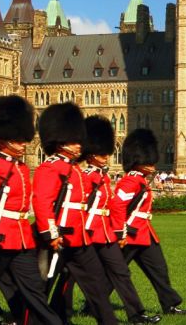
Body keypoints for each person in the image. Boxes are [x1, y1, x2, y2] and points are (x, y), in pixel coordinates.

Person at [0, 95, 61, 325]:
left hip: (20, 239)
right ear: (2, 140)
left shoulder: (17, 167)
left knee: (34, 289)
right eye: (18, 140)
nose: (24, 144)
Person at [32, 103, 118, 325]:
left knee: (97, 286)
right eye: (75, 140)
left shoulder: (75, 170)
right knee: (43, 286)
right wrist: (51, 234)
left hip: (79, 239)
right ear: (61, 141)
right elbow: (42, 203)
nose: (81, 145)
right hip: (58, 238)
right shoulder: (50, 168)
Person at [77, 115, 160, 324]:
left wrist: (119, 232)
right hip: (86, 232)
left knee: (121, 272)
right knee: (71, 279)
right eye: (101, 152)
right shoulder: (85, 177)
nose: (106, 156)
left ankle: (136, 314)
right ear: (90, 154)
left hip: (104, 233)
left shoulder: (103, 177)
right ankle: (60, 311)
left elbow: (110, 208)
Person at [111, 129, 186, 316]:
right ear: (139, 161)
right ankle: (94, 303)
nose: (153, 164)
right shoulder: (130, 181)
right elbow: (117, 206)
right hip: (130, 234)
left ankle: (170, 304)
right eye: (148, 160)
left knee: (159, 270)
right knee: (116, 273)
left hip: (144, 234)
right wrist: (119, 233)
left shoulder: (140, 181)